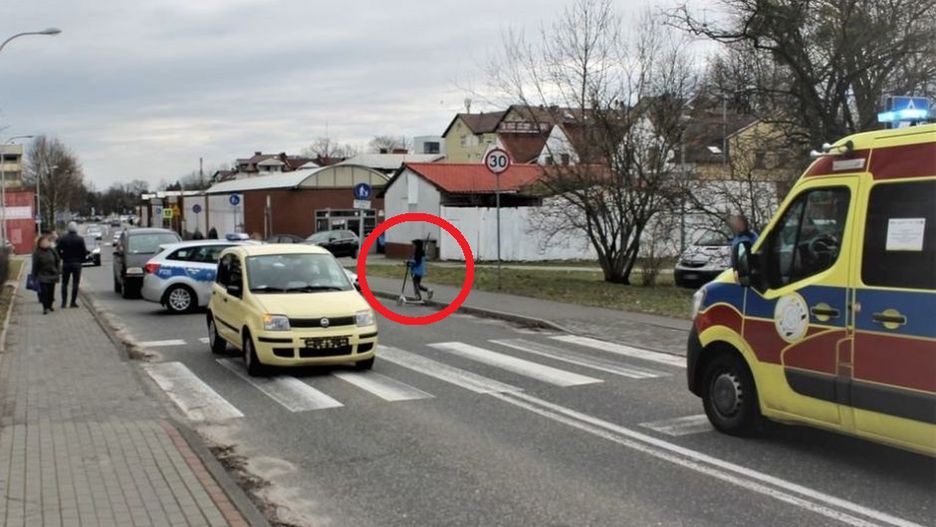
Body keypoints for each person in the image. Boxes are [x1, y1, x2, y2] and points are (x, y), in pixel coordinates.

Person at [57, 222, 88, 308]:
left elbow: (57, 250)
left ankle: (64, 303)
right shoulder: (80, 239)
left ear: (68, 229)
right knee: (75, 283)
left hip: (66, 263)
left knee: (64, 283)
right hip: (77, 263)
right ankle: (72, 302)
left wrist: (62, 257)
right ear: (76, 229)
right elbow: (84, 251)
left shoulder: (63, 239)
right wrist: (82, 260)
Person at [31, 234, 61, 315]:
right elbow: (35, 265)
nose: (45, 243)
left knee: (51, 292)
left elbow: (58, 260)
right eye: (43, 242)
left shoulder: (52, 250)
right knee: (44, 292)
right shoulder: (37, 253)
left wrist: (58, 270)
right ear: (40, 243)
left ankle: (50, 305)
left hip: (52, 274)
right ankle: (45, 307)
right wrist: (33, 276)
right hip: (42, 274)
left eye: (46, 242)